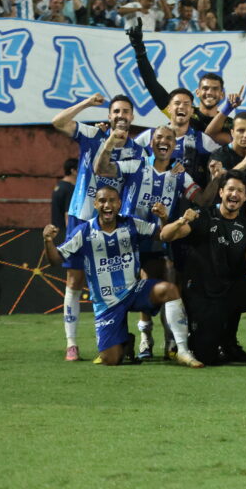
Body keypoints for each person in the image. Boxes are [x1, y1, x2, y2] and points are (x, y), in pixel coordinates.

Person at [95, 124, 221, 359]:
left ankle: (167, 342)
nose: (164, 141)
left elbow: (202, 200)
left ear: (175, 146)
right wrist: (110, 141)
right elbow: (101, 168)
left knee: (163, 280)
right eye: (159, 137)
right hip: (127, 241)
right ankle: (137, 339)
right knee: (124, 289)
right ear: (151, 143)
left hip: (158, 239)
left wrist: (215, 179)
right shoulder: (136, 164)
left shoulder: (179, 174)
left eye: (169, 139)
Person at [41, 186, 202, 368]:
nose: (107, 205)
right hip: (107, 303)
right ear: (95, 204)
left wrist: (165, 218)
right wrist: (48, 241)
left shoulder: (132, 224)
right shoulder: (83, 232)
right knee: (111, 360)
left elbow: (164, 236)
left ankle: (182, 350)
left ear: (119, 204)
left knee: (169, 289)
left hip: (133, 290)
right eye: (102, 201)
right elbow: (54, 260)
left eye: (112, 201)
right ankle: (125, 341)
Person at [159, 172, 246, 368]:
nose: (234, 194)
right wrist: (181, 221)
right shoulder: (202, 216)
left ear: (245, 197)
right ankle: (197, 341)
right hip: (203, 295)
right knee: (206, 357)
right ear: (221, 192)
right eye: (230, 189)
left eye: (239, 191)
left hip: (229, 292)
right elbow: (165, 236)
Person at [49, 93, 142, 362]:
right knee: (75, 280)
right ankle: (71, 343)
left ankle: (120, 341)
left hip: (115, 222)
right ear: (109, 116)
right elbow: (57, 122)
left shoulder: (136, 150)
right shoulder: (91, 134)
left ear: (132, 117)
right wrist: (87, 104)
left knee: (119, 284)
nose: (121, 115)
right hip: (82, 217)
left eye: (126, 111)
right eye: (116, 111)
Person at [50, 158, 77, 238]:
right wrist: (70, 236)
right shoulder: (69, 188)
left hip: (55, 231)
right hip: (64, 232)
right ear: (73, 171)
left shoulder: (60, 185)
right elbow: (68, 215)